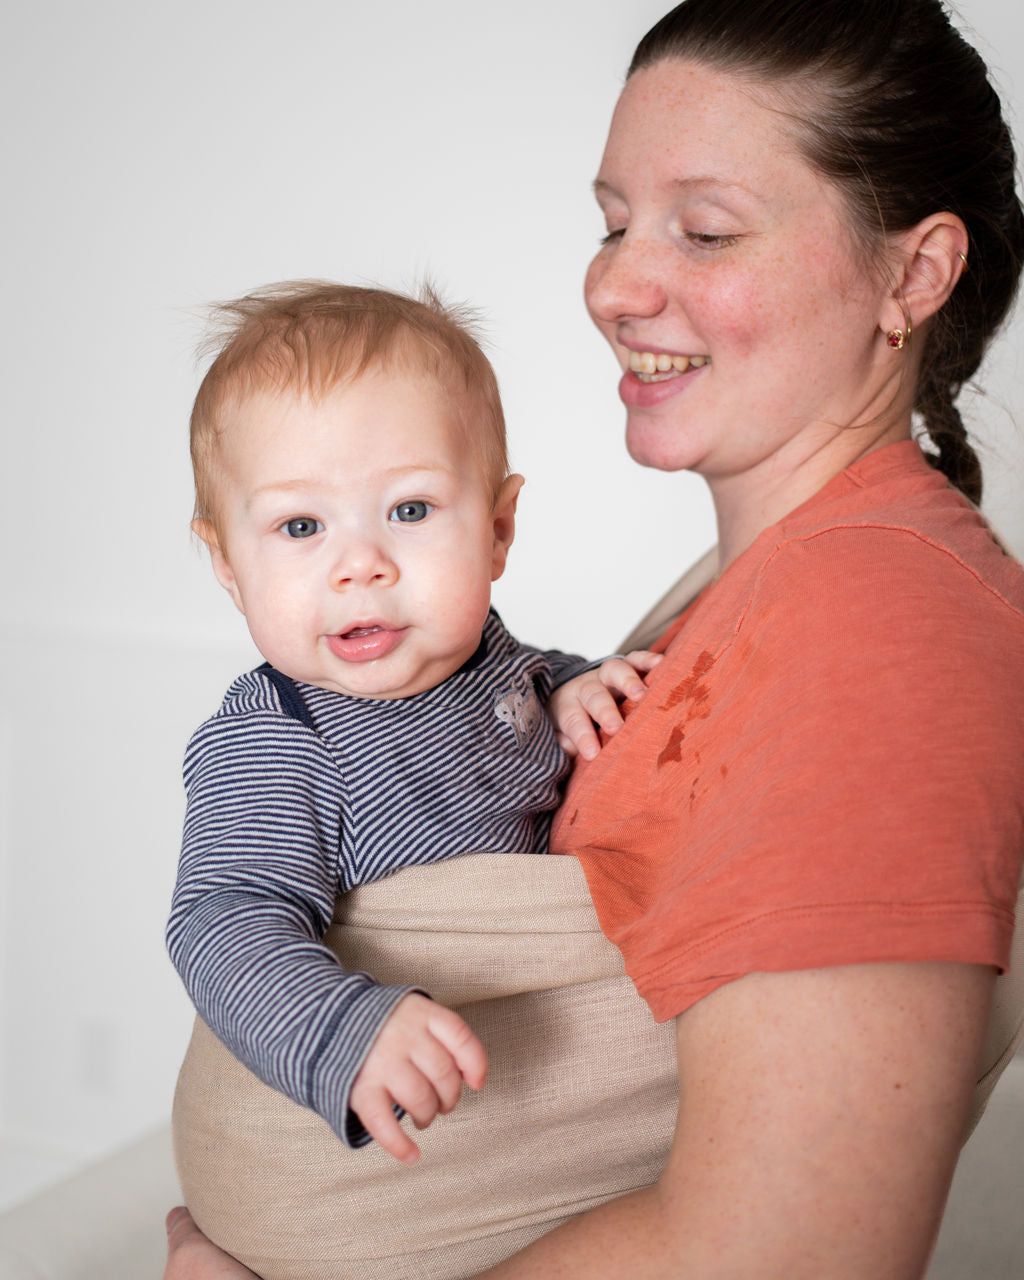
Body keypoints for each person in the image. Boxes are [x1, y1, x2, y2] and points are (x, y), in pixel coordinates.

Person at [166, 0, 1024, 1275]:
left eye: (707, 227)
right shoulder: (737, 595)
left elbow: (783, 1254)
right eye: (613, 220)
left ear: (911, 274)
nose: (613, 285)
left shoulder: (877, 631)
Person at [167, 281, 657, 1165]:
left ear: (500, 529)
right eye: (301, 525)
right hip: (372, 1112)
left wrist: (576, 688)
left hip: (532, 1087)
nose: (361, 565)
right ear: (228, 566)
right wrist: (342, 1028)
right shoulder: (278, 737)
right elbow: (223, 916)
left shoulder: (487, 660)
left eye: (410, 510)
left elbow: (529, 682)